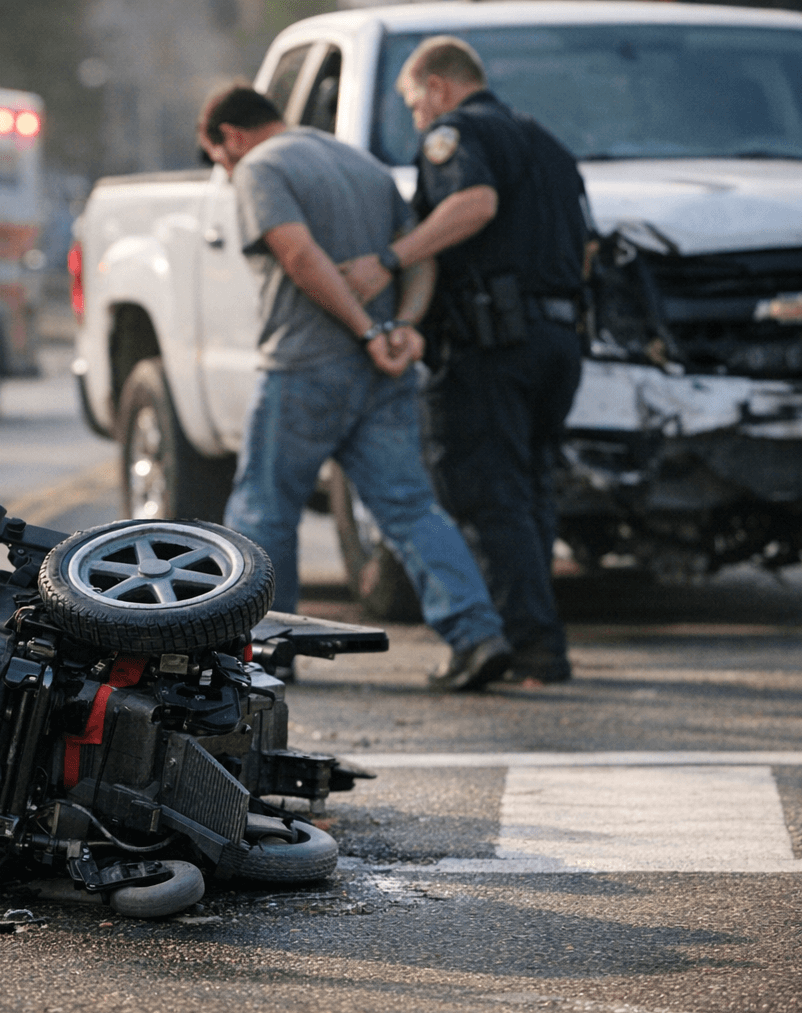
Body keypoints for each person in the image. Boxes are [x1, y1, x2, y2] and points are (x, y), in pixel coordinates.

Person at [199, 83, 511, 692]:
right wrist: (402, 329)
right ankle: (477, 635)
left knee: (264, 511)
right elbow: (419, 256)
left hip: (303, 367)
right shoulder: (358, 163)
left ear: (231, 137)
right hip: (381, 374)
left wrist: (369, 329)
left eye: (217, 157)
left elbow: (299, 257)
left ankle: (264, 648)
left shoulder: (260, 167)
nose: (223, 169)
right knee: (409, 508)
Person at [340, 37, 590, 684]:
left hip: (491, 346)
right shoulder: (546, 142)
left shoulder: (455, 134)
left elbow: (474, 204)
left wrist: (392, 260)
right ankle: (537, 644)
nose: (416, 117)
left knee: (482, 492)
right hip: (558, 341)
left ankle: (526, 646)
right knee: (528, 488)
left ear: (440, 87)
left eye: (414, 102)